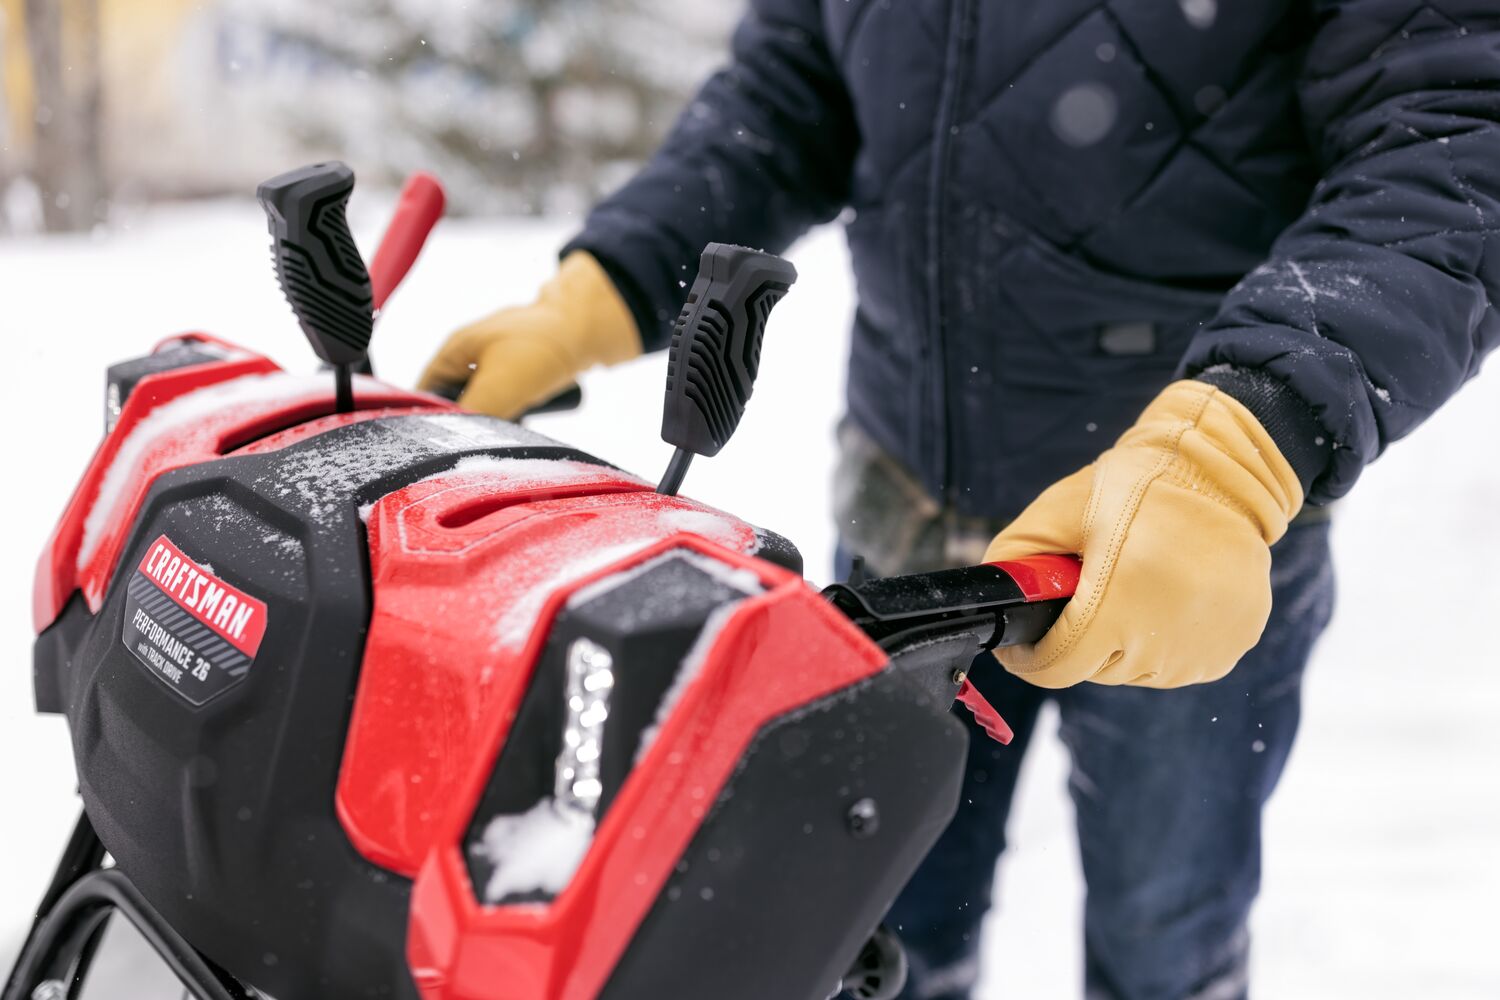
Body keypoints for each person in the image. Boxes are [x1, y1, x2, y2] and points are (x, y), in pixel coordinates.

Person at [420, 2, 1500, 997]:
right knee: (875, 930)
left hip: (1178, 542)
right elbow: (791, 89)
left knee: (1168, 938)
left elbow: (1455, 131)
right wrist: (605, 285)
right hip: (906, 527)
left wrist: (1236, 441)